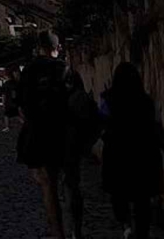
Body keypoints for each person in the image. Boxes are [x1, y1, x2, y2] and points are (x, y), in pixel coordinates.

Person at [100, 61, 164, 239]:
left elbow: (101, 124)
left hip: (118, 157)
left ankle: (127, 226)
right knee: (142, 201)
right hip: (143, 157)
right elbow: (158, 130)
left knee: (119, 195)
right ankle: (139, 232)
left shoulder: (108, 100)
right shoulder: (146, 102)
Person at [18, 31, 69, 239]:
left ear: (38, 48)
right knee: (71, 183)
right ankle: (75, 229)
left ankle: (57, 231)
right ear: (58, 48)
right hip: (64, 132)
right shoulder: (63, 68)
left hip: (39, 133)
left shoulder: (29, 70)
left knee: (48, 185)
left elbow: (21, 106)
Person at [61, 68, 102, 239]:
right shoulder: (82, 98)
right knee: (74, 188)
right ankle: (75, 229)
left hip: (68, 148)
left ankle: (72, 228)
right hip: (76, 149)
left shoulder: (66, 98)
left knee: (70, 189)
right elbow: (96, 124)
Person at [1, 65, 22, 132]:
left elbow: (3, 95)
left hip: (8, 102)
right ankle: (23, 123)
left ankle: (7, 127)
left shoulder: (6, 84)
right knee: (17, 115)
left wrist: (3, 103)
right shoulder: (16, 83)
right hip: (14, 101)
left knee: (6, 115)